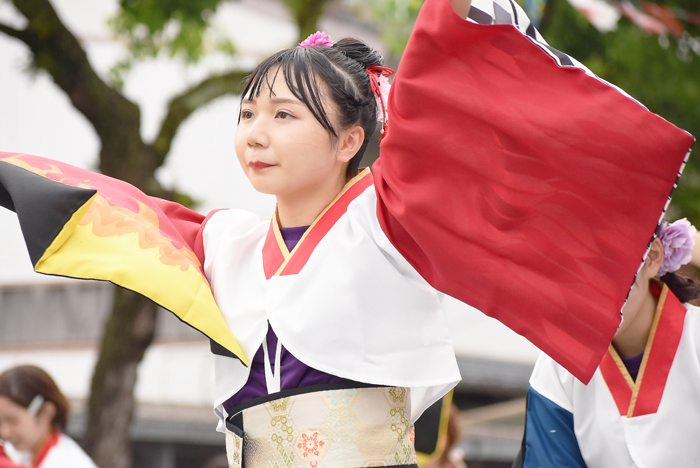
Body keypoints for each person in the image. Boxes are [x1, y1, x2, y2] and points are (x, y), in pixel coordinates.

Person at [0, 0, 694, 466]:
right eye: (246, 116)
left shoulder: (389, 220)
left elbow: (435, 102)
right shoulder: (228, 240)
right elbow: (128, 213)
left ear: (349, 139)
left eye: (283, 116)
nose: (256, 135)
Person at [514, 219, 700, 467]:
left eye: (605, 267)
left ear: (653, 256)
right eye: (571, 271)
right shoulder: (557, 366)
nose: (590, 292)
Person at [0, 366, 98, 468]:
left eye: (13, 420)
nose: (4, 432)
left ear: (46, 412)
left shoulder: (72, 463)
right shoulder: (13, 453)